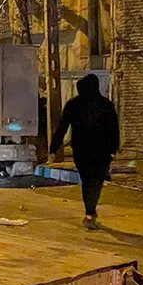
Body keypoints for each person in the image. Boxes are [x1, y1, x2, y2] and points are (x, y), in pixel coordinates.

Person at [49, 73, 119, 230]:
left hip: (82, 150)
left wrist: (54, 147)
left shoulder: (74, 104)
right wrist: (114, 148)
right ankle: (90, 211)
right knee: (97, 180)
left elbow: (62, 127)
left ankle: (90, 212)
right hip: (102, 150)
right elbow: (114, 128)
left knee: (86, 180)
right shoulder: (105, 104)